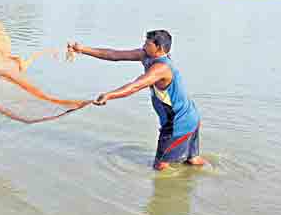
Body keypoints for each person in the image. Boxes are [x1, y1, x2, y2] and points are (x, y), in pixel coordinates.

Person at [69, 30, 205, 171]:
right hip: (190, 116)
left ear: (159, 48)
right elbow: (114, 55)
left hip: (178, 124)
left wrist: (109, 95)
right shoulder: (145, 55)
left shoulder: (161, 68)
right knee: (193, 160)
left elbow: (135, 86)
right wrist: (82, 49)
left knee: (160, 168)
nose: (143, 45)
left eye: (147, 43)